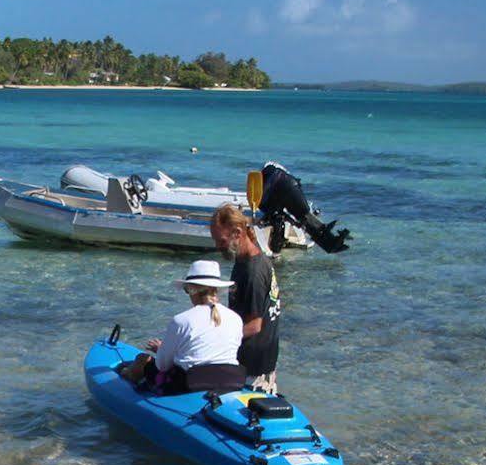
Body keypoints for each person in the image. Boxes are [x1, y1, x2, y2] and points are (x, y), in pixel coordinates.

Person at [130, 259, 244, 395]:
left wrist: (161, 349)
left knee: (142, 360)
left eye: (186, 290)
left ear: (192, 290)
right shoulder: (236, 319)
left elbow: (162, 365)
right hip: (228, 381)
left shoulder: (181, 321)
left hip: (188, 384)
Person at [210, 203, 281, 392]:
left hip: (254, 368)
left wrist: (215, 342)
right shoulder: (244, 259)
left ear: (237, 232)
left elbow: (254, 326)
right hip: (256, 361)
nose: (217, 246)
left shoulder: (253, 271)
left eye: (221, 241)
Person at [257, 161, 351, 253]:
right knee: (303, 215)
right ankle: (327, 237)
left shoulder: (263, 197)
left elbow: (270, 209)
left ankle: (327, 238)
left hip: (280, 188)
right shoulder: (273, 170)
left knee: (301, 217)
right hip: (289, 185)